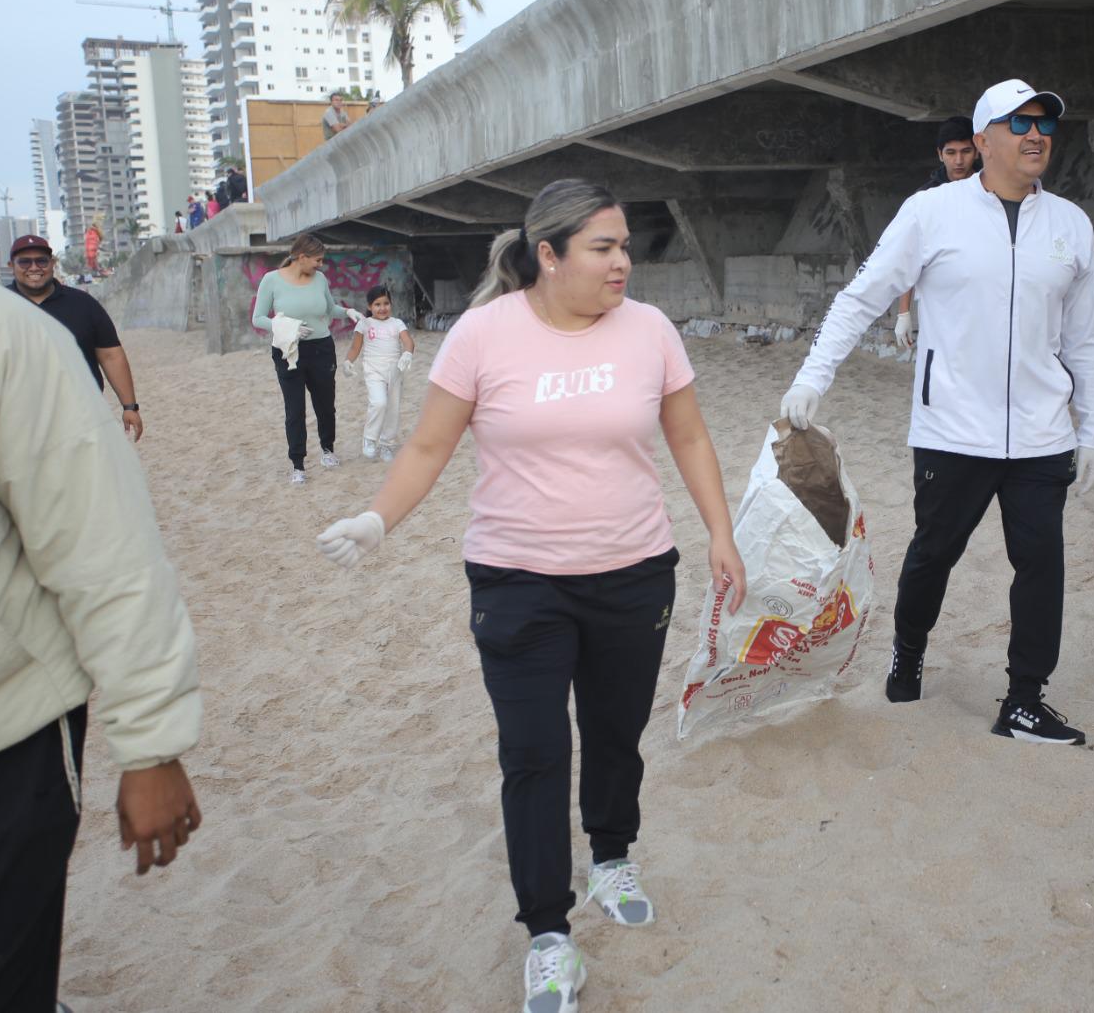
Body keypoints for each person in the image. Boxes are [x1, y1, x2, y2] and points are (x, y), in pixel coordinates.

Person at [315, 179, 747, 1013]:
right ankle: (549, 934)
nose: (623, 263)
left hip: (633, 571)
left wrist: (718, 532)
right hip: (516, 581)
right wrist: (378, 520)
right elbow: (430, 444)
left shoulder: (650, 331)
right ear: (547, 256)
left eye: (625, 247)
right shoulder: (483, 334)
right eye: (603, 248)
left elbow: (687, 434)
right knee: (535, 752)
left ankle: (613, 852)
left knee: (616, 735)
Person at [779, 79, 1094, 744]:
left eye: (1043, 123)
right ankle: (909, 648)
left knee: (1042, 565)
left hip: (1043, 436)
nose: (1036, 134)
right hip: (952, 431)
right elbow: (860, 298)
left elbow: (1086, 336)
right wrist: (813, 377)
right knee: (934, 554)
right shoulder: (930, 212)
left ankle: (1023, 699)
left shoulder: (1071, 224)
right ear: (984, 141)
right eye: (1019, 124)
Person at [0, 277, 204, 1011]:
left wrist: (150, 742)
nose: (37, 262)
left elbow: (102, 545)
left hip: (6, 730)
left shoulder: (14, 331)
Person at [250, 233, 365, 483]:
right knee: (295, 409)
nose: (320, 265)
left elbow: (328, 308)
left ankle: (327, 450)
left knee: (325, 404)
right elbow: (258, 318)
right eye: (317, 260)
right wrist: (286, 328)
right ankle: (298, 465)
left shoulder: (320, 279)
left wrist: (348, 311)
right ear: (302, 257)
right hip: (288, 351)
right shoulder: (272, 280)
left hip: (321, 348)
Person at [6, 234, 144, 441]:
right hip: (16, 421)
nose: (34, 267)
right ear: (11, 265)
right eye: (24, 261)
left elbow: (110, 355)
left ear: (52, 264)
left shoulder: (84, 304)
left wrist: (130, 406)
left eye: (41, 260)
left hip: (82, 417)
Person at [894, 116, 981, 350]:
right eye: (951, 152)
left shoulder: (993, 190)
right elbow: (909, 254)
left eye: (966, 151)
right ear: (940, 154)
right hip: (939, 299)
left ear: (978, 151)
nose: (959, 160)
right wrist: (904, 312)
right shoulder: (924, 200)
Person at [343, 284, 415, 462]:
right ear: (369, 307)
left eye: (386, 303)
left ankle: (387, 444)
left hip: (395, 371)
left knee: (393, 408)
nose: (382, 308)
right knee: (379, 403)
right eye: (377, 304)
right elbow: (355, 347)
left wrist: (407, 353)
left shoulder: (397, 323)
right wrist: (347, 362)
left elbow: (408, 342)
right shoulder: (364, 324)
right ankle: (369, 439)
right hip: (373, 370)